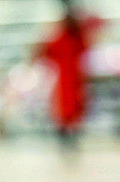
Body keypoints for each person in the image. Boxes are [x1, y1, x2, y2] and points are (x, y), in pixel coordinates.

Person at [40, 5, 90, 142]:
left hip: (73, 77)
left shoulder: (75, 37)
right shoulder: (65, 38)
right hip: (66, 78)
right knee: (66, 105)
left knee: (72, 104)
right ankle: (66, 131)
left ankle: (69, 131)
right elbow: (47, 51)